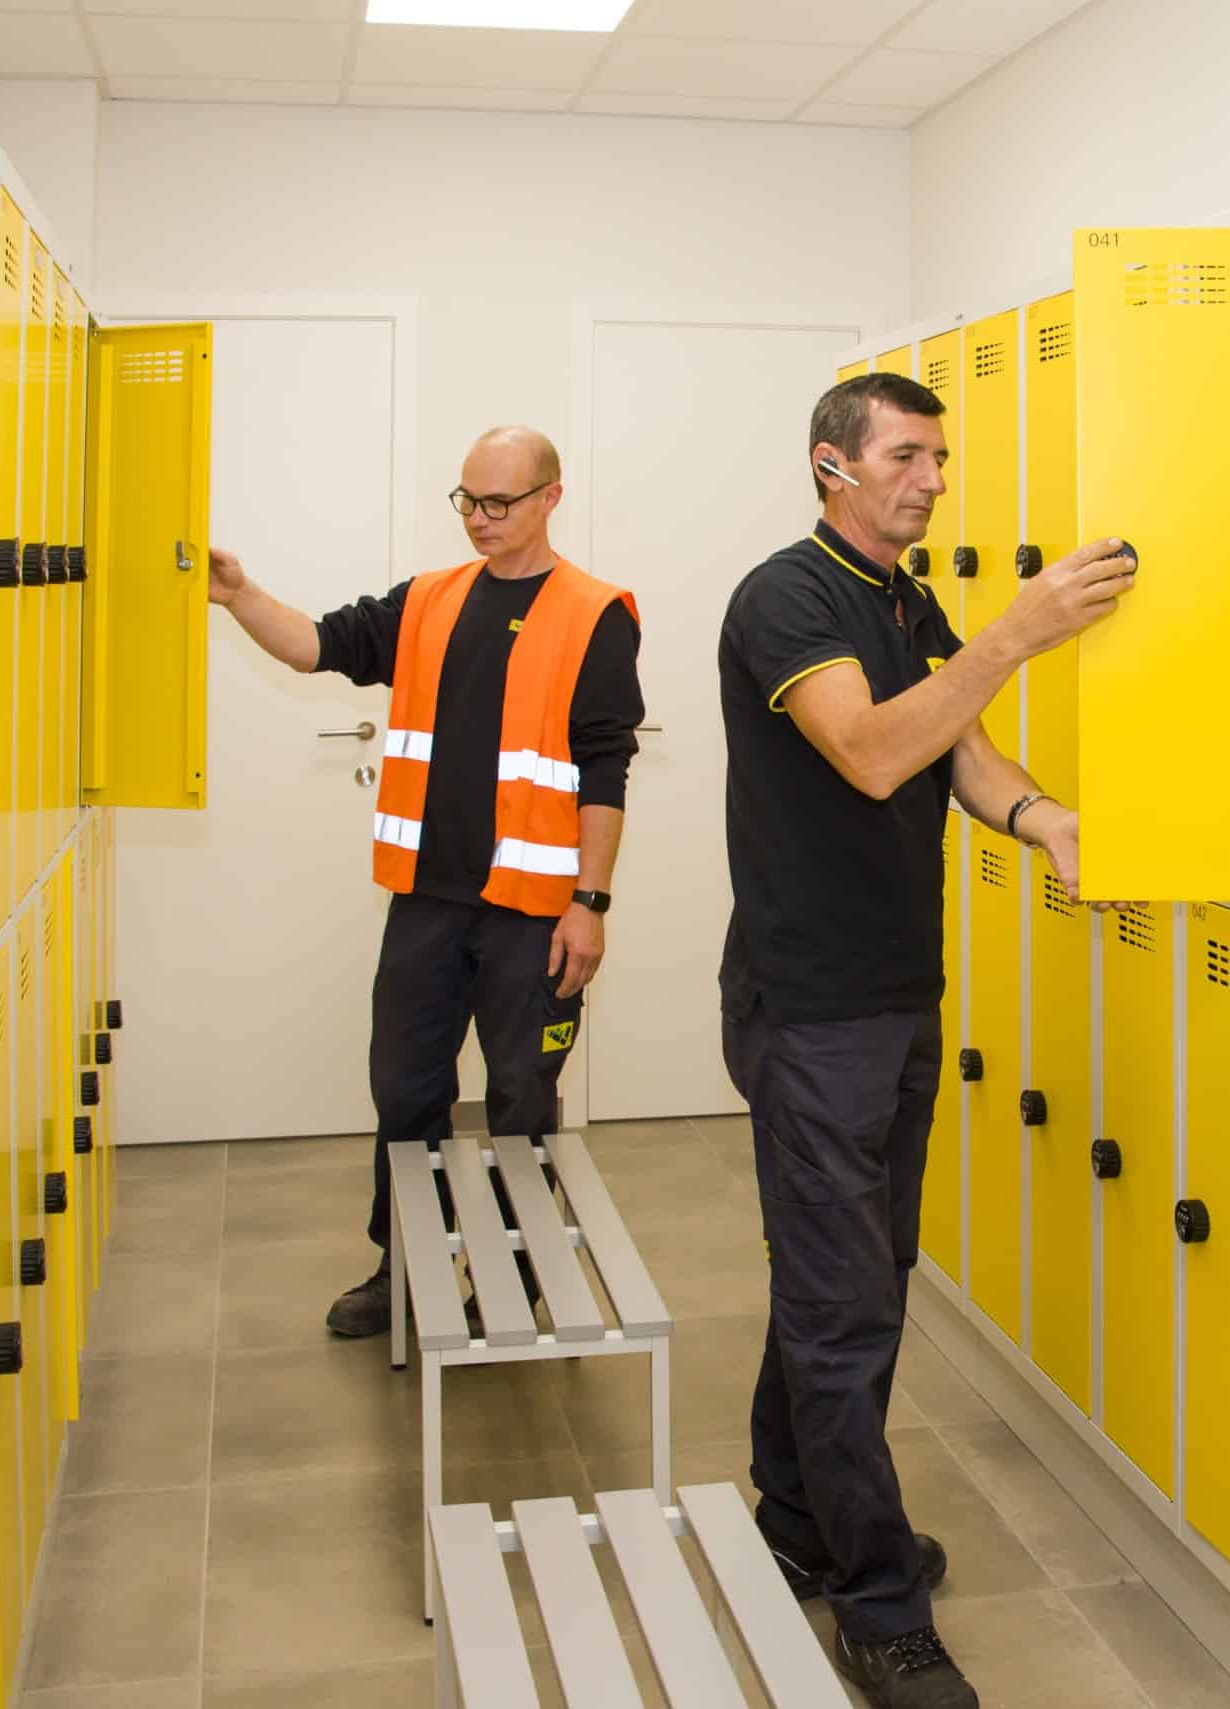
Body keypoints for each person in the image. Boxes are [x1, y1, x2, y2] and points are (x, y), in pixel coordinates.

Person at [716, 371, 1135, 1708]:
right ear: (831, 464)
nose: (933, 479)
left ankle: (798, 1519)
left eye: (939, 457)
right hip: (809, 1008)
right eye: (906, 455)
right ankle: (880, 1608)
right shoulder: (787, 597)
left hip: (896, 993)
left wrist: (1046, 818)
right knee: (843, 1306)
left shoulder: (906, 605)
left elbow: (960, 750)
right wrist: (1016, 632)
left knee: (859, 1277)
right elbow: (873, 749)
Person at [209, 425, 645, 1336]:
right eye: (467, 500)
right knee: (405, 1090)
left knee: (522, 1098)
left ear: (551, 497)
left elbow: (605, 769)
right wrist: (239, 594)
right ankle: (403, 1265)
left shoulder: (594, 613)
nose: (478, 519)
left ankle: (519, 1280)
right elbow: (313, 646)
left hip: (534, 915)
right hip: (427, 905)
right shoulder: (427, 601)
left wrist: (590, 903)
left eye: (499, 503)